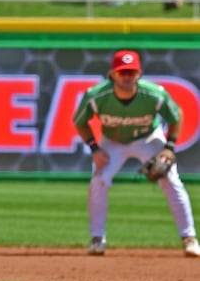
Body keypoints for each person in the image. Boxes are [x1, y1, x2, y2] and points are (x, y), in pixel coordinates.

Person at [73, 50, 200, 258]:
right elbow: (79, 122)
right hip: (112, 142)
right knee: (99, 181)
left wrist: (169, 147)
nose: (127, 77)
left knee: (171, 179)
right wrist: (94, 149)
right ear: (112, 74)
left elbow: (177, 116)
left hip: (148, 138)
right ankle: (97, 239)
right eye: (122, 72)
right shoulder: (96, 96)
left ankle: (189, 238)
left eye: (131, 72)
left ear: (139, 74)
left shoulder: (154, 94)